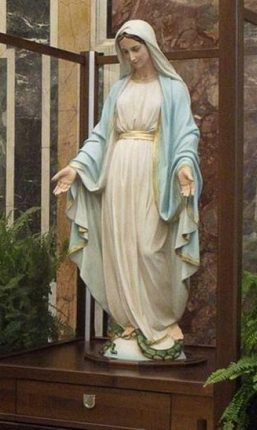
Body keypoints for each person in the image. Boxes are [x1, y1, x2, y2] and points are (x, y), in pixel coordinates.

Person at [52, 20, 202, 361]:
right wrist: (76, 167)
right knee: (120, 247)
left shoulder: (172, 88)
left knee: (150, 247)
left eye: (137, 49)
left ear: (150, 46)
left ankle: (160, 322)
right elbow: (101, 135)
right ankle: (130, 322)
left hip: (153, 174)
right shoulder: (119, 89)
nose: (132, 57)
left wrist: (184, 165)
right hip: (118, 174)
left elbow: (186, 133)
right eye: (125, 51)